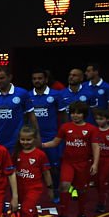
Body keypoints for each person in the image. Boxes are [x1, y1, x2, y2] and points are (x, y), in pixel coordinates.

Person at [41, 101, 100, 217]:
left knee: (81, 190)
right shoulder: (65, 127)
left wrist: (95, 164)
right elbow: (55, 142)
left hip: (84, 164)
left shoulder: (92, 129)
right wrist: (41, 145)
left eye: (78, 113)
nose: (75, 115)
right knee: (64, 186)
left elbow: (96, 147)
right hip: (68, 163)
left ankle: (81, 213)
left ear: (84, 114)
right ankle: (63, 215)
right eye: (73, 113)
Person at [29, 68, 68, 203]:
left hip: (52, 137)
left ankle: (55, 190)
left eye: (40, 78)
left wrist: (63, 134)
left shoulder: (56, 95)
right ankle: (33, 193)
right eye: (34, 79)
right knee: (32, 167)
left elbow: (63, 116)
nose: (37, 81)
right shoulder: (28, 96)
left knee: (54, 167)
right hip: (32, 138)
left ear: (45, 79)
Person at [9, 125, 51, 217]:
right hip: (21, 189)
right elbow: (11, 172)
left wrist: (50, 188)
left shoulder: (40, 154)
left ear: (34, 139)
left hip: (35, 188)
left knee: (26, 210)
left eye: (28, 139)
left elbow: (46, 172)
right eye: (23, 139)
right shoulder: (16, 154)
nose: (25, 142)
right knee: (31, 211)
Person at [0, 66, 37, 155]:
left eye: (2, 78)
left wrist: (37, 136)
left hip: (18, 141)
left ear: (10, 77)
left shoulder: (22, 93)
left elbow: (31, 116)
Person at [91, 108, 109, 214]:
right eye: (97, 119)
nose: (98, 121)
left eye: (101, 119)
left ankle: (101, 203)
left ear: (107, 119)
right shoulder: (94, 131)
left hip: (107, 159)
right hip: (96, 160)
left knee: (103, 181)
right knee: (96, 182)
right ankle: (101, 197)